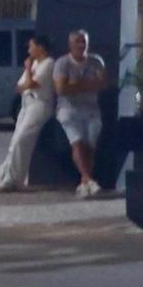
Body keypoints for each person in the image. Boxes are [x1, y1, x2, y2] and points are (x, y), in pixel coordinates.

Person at [0, 33, 56, 192]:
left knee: (22, 139)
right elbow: (20, 86)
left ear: (40, 47)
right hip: (27, 103)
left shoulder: (48, 63)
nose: (29, 49)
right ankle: (4, 175)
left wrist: (27, 70)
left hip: (40, 104)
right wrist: (28, 75)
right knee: (14, 142)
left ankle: (15, 179)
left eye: (31, 46)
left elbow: (31, 84)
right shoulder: (34, 64)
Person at [53, 29, 108, 198]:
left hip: (92, 110)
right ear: (70, 44)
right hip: (68, 110)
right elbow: (61, 89)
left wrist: (76, 84)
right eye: (77, 41)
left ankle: (85, 182)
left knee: (90, 146)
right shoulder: (62, 63)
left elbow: (103, 84)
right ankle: (88, 179)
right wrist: (88, 84)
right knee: (77, 143)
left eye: (84, 41)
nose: (81, 45)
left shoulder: (96, 61)